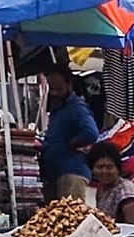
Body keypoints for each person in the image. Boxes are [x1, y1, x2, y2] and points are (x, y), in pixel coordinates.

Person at [42, 64, 99, 201]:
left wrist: (72, 143)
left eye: (58, 88)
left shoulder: (76, 107)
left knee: (71, 217)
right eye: (52, 88)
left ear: (69, 84)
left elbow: (91, 133)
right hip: (57, 174)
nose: (54, 93)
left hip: (71, 174)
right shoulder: (58, 108)